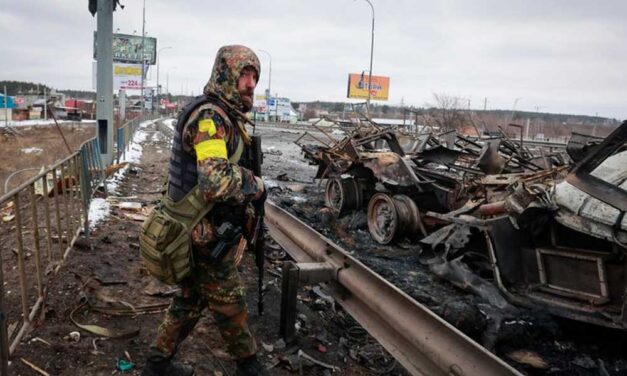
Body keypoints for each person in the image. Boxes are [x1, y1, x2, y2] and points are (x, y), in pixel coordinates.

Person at [142, 45, 269, 376]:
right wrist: (254, 183)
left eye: (255, 75)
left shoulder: (224, 115)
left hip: (201, 228)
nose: (251, 83)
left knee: (191, 299)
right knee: (229, 300)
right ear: (225, 75)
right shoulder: (210, 117)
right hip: (199, 231)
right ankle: (249, 365)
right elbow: (214, 181)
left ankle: (157, 364)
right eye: (244, 74)